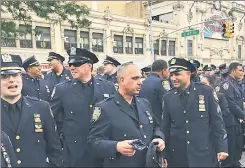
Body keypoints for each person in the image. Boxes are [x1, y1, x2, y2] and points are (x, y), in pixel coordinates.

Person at [87, 62, 165, 167]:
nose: (140, 82)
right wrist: (116, 146)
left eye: (140, 78)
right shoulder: (105, 108)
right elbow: (93, 142)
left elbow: (155, 127)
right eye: (135, 78)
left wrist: (158, 138)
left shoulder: (144, 104)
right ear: (121, 80)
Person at [49, 47, 116, 167]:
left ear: (89, 66)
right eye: (70, 64)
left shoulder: (108, 87)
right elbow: (50, 119)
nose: (72, 68)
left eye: (77, 64)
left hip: (102, 150)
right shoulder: (62, 89)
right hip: (74, 152)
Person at [162, 57, 228, 167]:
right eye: (171, 75)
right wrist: (164, 154)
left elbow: (217, 122)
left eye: (177, 74)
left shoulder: (205, 91)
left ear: (188, 74)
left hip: (203, 154)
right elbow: (165, 127)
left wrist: (222, 148)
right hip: (178, 156)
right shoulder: (168, 97)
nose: (173, 78)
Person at [1, 53, 63, 167]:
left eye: (16, 75)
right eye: (4, 76)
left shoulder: (41, 108)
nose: (12, 80)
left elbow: (55, 149)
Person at [201, 74, 236, 167]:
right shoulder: (198, 98)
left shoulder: (219, 96)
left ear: (211, 85)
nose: (202, 85)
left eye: (204, 83)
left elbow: (226, 111)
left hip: (217, 129)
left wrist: (213, 115)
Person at [219, 62, 245, 167]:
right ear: (233, 71)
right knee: (231, 147)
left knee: (237, 146)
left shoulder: (235, 84)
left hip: (236, 121)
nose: (242, 72)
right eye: (240, 70)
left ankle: (235, 162)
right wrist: (243, 115)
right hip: (230, 121)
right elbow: (231, 104)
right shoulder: (227, 84)